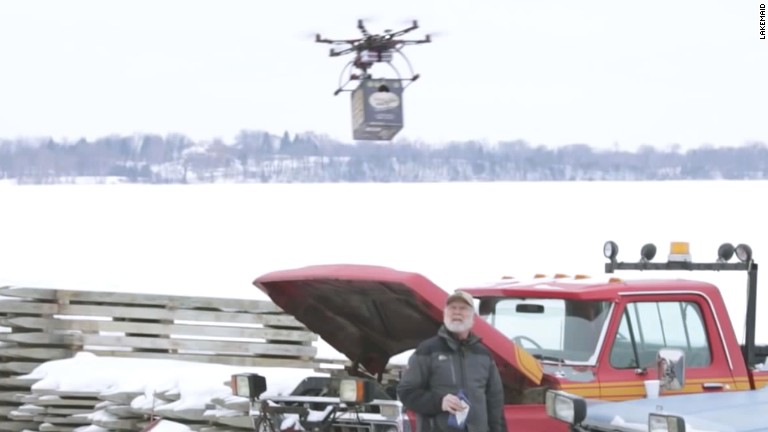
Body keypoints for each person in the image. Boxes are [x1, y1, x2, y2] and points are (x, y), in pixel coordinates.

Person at [397, 290, 505, 432]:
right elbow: (406, 392)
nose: (457, 312)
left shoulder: (483, 355)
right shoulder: (427, 350)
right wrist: (440, 402)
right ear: (445, 313)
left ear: (473, 316)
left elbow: (495, 405)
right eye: (452, 308)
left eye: (463, 308)